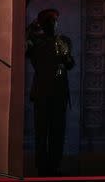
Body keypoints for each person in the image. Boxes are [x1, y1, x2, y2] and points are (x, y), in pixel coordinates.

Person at [26, 9, 75, 177]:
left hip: (59, 92)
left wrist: (66, 54)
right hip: (41, 93)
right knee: (41, 132)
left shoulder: (63, 41)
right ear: (42, 24)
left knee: (57, 132)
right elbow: (22, 43)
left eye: (54, 21)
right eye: (49, 22)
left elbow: (70, 64)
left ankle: (54, 166)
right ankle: (41, 168)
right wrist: (32, 27)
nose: (53, 24)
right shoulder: (35, 43)